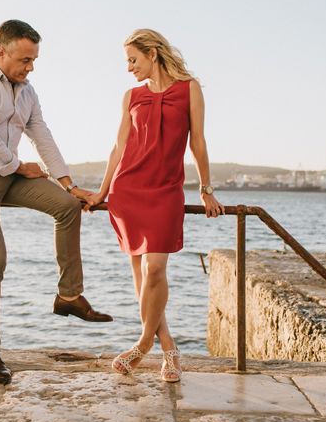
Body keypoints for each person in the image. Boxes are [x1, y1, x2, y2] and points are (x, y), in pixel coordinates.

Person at [0, 19, 113, 385]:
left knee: (68, 208)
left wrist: (68, 185)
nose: (30, 67)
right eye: (24, 59)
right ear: (1, 52)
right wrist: (18, 165)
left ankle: (68, 296)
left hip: (10, 174)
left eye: (34, 60)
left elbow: (42, 136)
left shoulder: (28, 92)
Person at [87, 29, 224, 383]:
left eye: (133, 59)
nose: (129, 67)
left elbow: (199, 142)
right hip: (128, 189)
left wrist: (206, 189)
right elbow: (118, 147)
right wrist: (102, 191)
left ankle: (144, 343)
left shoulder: (188, 88)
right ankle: (168, 350)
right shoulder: (131, 96)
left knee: (156, 270)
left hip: (165, 191)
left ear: (152, 53)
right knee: (141, 274)